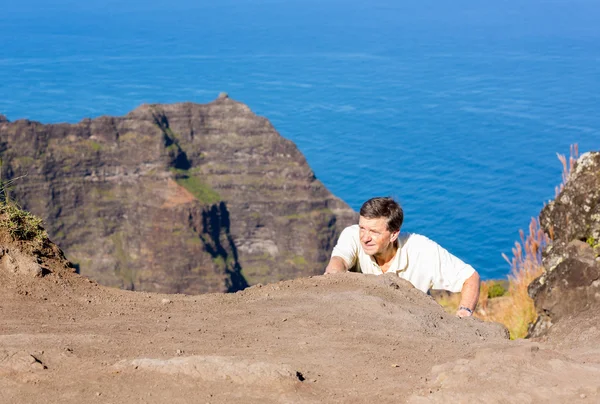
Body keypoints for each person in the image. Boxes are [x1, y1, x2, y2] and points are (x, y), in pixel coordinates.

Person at [324, 197, 480, 317]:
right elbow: (339, 261)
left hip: (413, 325)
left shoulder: (421, 249)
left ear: (393, 234)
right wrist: (333, 276)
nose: (365, 238)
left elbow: (470, 277)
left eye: (374, 232)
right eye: (362, 228)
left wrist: (464, 312)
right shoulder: (352, 235)